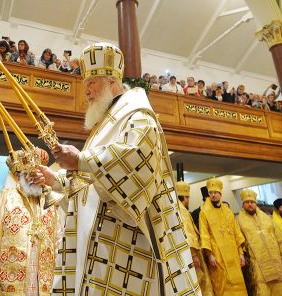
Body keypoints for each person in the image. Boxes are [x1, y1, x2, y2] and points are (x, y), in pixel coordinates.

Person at [48, 42, 200, 295]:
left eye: (91, 83)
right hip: (101, 245)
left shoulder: (137, 114)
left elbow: (136, 158)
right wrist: (55, 179)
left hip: (130, 243)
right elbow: (91, 183)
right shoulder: (105, 123)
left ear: (112, 81)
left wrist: (82, 160)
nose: (85, 91)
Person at [0, 149, 62, 296]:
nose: (34, 177)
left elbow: (59, 241)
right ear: (19, 175)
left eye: (37, 173)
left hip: (44, 280)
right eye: (29, 173)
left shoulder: (51, 202)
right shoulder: (6, 197)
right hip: (7, 279)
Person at [237, 189, 282, 295]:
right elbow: (238, 240)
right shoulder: (239, 221)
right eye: (247, 202)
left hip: (275, 259)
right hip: (257, 263)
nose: (250, 204)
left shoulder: (266, 218)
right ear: (243, 204)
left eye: (252, 202)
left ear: (255, 203)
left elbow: (279, 236)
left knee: (281, 288)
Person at [198, 178, 247, 295]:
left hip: (234, 256)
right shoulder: (204, 212)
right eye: (211, 193)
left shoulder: (228, 211)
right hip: (217, 257)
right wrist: (209, 255)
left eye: (216, 192)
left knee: (238, 285)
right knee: (223, 287)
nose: (213, 195)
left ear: (220, 193)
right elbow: (204, 234)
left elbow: (236, 232)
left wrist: (241, 253)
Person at [176, 181, 213, 295]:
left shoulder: (178, 208)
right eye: (188, 197)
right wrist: (194, 255)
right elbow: (188, 233)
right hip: (192, 255)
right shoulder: (182, 211)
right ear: (185, 197)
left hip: (189, 254)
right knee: (201, 284)